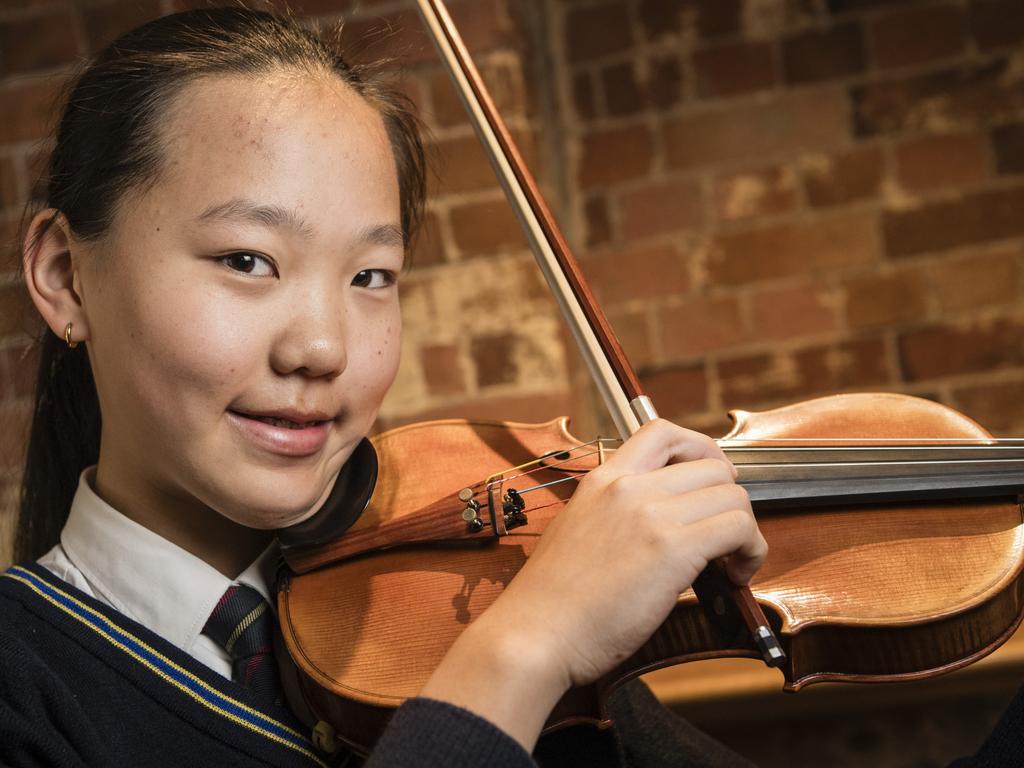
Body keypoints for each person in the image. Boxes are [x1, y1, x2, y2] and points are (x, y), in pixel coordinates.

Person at [0, 6, 1019, 768]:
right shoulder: (27, 686)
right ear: (62, 274)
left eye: (371, 277)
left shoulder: (443, 609)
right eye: (247, 260)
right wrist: (523, 649)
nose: (320, 346)